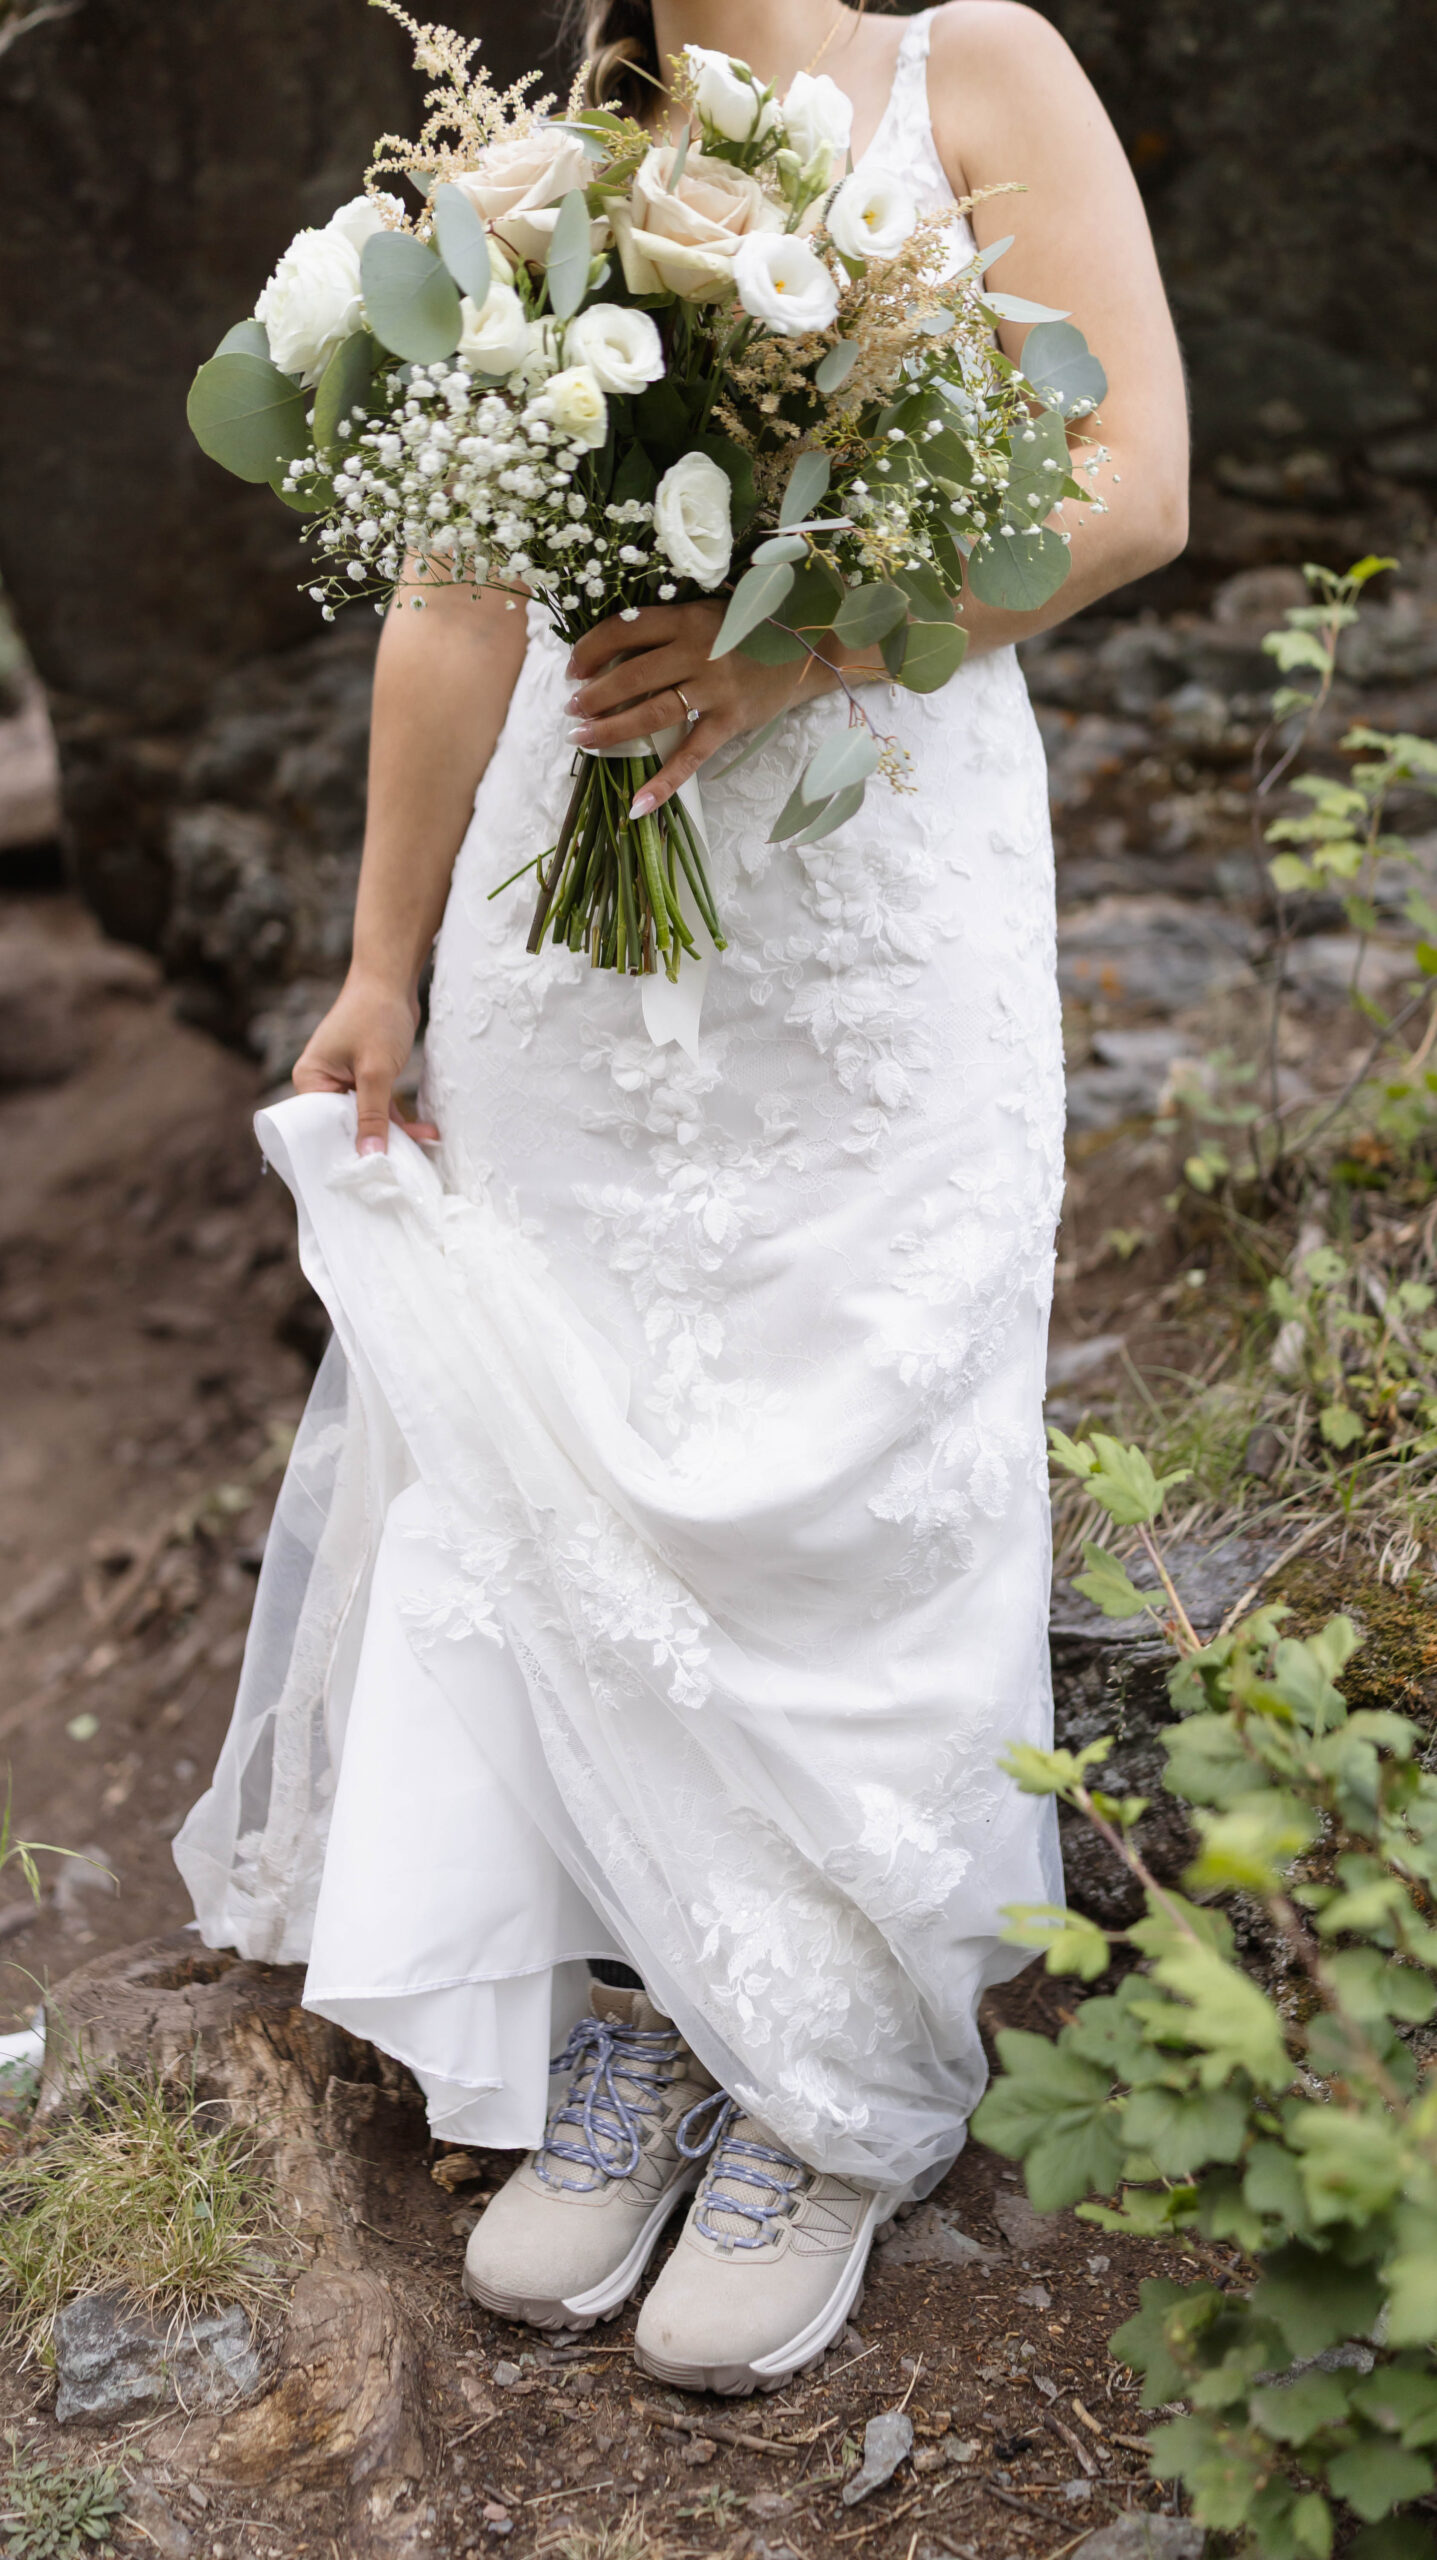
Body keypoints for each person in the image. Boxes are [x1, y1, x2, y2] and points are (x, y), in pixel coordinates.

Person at [177, 0, 1188, 2396]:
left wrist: (806, 643)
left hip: (864, 877)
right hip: (568, 891)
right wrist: (382, 959)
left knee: (850, 1439)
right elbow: (452, 602)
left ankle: (822, 2079)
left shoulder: (970, 69)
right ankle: (636, 2000)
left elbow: (1130, 484)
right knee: (576, 1439)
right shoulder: (521, 171)